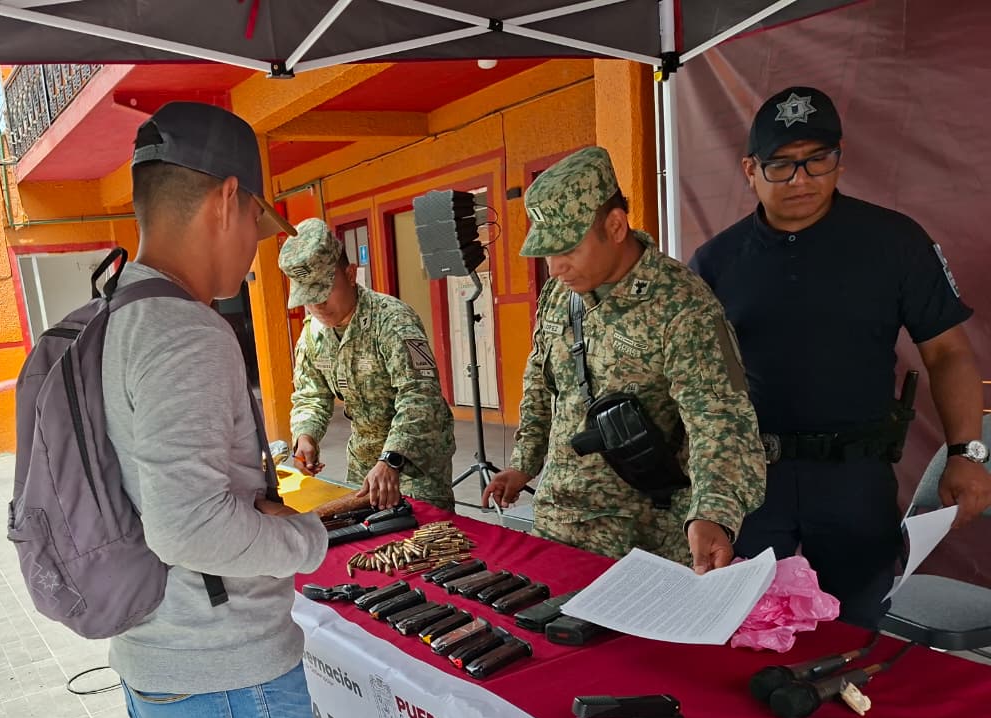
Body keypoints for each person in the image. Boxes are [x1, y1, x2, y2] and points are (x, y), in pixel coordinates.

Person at [100, 101, 329, 718]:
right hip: (228, 671)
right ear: (229, 201)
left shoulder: (114, 310)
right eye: (258, 226)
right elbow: (189, 525)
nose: (257, 250)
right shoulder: (185, 331)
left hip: (160, 654)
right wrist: (307, 542)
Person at [690, 86, 991, 626]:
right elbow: (692, 384)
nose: (801, 179)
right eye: (780, 165)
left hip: (856, 479)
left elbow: (947, 353)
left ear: (839, 160)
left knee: (855, 632)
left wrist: (965, 452)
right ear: (748, 170)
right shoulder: (715, 263)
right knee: (747, 625)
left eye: (817, 160)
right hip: (754, 480)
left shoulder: (895, 243)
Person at [484, 147, 766, 571]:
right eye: (547, 251)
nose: (555, 267)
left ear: (615, 226)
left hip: (641, 541)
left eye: (568, 249)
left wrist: (713, 513)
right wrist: (524, 463)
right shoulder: (561, 296)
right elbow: (542, 382)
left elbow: (719, 419)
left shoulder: (682, 306)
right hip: (557, 522)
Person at [283, 218, 456, 510]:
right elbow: (310, 393)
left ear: (351, 275)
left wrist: (392, 458)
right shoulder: (313, 333)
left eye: (324, 291)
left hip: (415, 463)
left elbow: (419, 396)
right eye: (308, 297)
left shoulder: (393, 320)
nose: (316, 305)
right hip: (363, 460)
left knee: (424, 543)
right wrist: (306, 435)